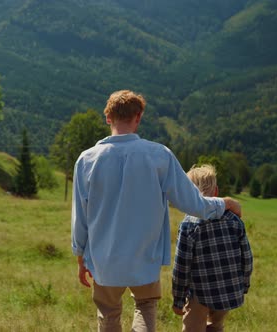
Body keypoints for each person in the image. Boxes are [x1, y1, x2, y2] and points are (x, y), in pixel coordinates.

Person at [71, 90, 242, 332]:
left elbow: (80, 218)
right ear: (138, 117)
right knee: (145, 306)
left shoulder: (86, 160)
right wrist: (225, 203)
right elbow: (195, 204)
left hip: (104, 258)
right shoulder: (158, 155)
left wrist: (80, 257)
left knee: (108, 314)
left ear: (108, 117)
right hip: (145, 256)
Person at [172, 164, 253, 332]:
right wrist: (243, 285)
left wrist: (178, 300)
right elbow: (247, 257)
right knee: (216, 326)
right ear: (216, 192)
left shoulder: (189, 224)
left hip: (200, 294)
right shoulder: (234, 220)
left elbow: (181, 266)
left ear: (188, 194)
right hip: (228, 291)